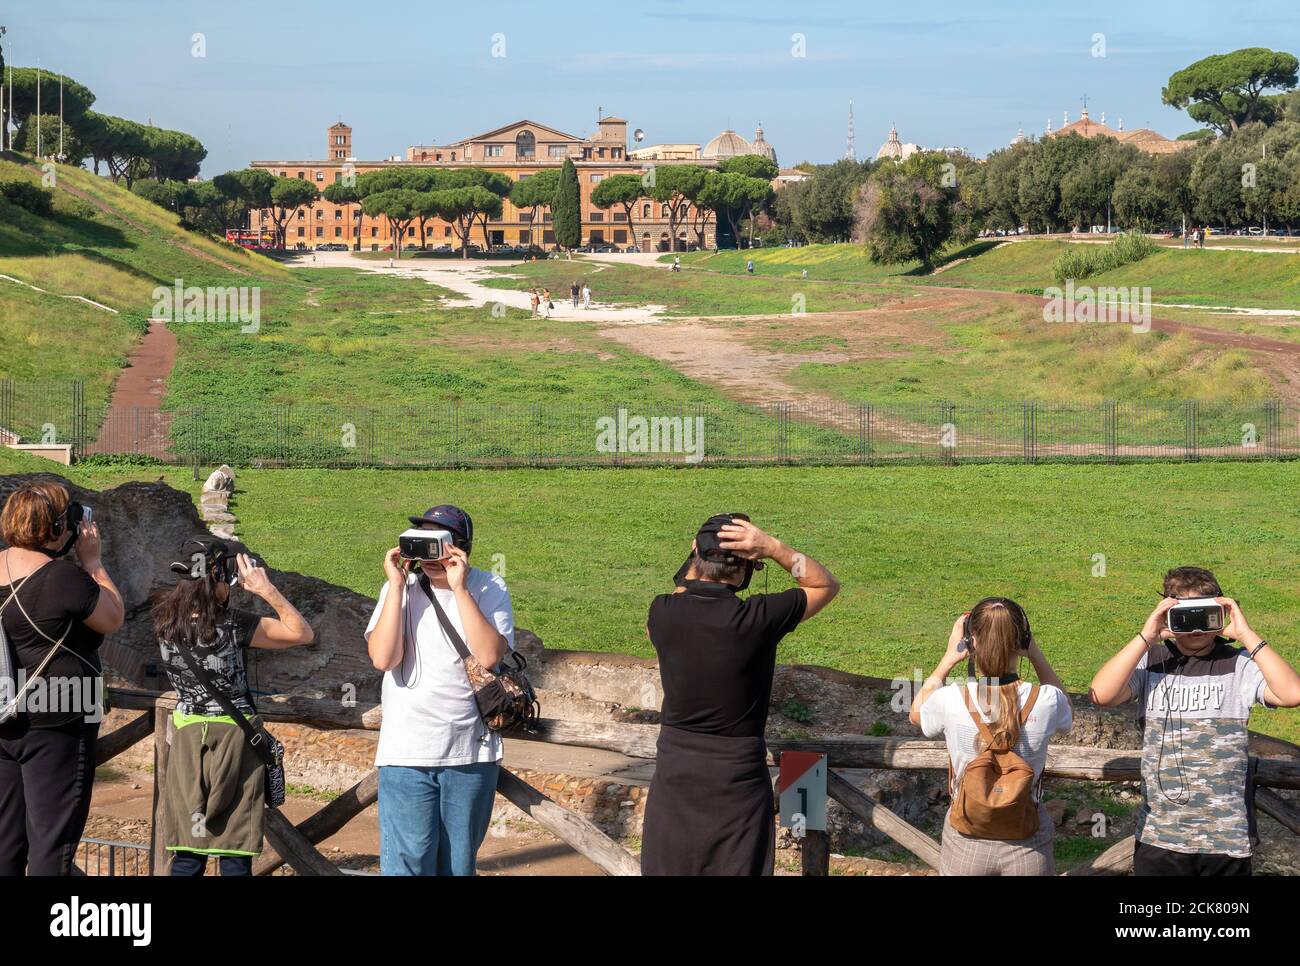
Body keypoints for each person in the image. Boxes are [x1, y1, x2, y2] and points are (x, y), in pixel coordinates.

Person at [641, 514, 839, 875]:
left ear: (694, 555)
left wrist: (697, 556)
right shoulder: (758, 618)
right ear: (748, 568)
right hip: (736, 779)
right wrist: (776, 549)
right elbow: (825, 586)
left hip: (675, 774)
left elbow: (683, 593)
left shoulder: (662, 612)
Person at [1090, 567, 1300, 876]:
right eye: (1185, 618)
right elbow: (1101, 694)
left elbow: (1292, 693)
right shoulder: (1153, 661)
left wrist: (1246, 634)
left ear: (1221, 613)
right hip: (1160, 835)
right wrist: (1146, 637)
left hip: (1226, 837)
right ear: (1169, 617)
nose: (1196, 629)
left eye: (1205, 616)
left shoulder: (1239, 664)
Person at [365, 505, 514, 876]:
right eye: (420, 543)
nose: (429, 556)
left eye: (438, 544)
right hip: (406, 753)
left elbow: (489, 655)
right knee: (407, 865)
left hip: (470, 754)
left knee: (457, 866)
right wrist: (397, 586)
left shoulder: (488, 586)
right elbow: (384, 658)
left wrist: (460, 589)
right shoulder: (399, 588)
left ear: (460, 547)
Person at [153, 538, 314, 876]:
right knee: (234, 849)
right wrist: (266, 590)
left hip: (185, 740)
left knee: (187, 850)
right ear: (217, 576)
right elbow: (301, 633)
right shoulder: (233, 625)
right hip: (236, 741)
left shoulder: (165, 625)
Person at [0, 482, 125, 875]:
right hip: (59, 721)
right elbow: (113, 617)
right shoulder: (63, 577)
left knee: (5, 842)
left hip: (5, 717)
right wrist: (93, 562)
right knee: (52, 848)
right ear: (56, 527)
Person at [908, 598, 1072, 875]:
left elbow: (916, 714)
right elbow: (1067, 711)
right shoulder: (1046, 700)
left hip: (966, 837)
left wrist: (948, 658)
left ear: (971, 643)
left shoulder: (950, 699)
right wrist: (1034, 653)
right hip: (1027, 837)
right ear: (1022, 640)